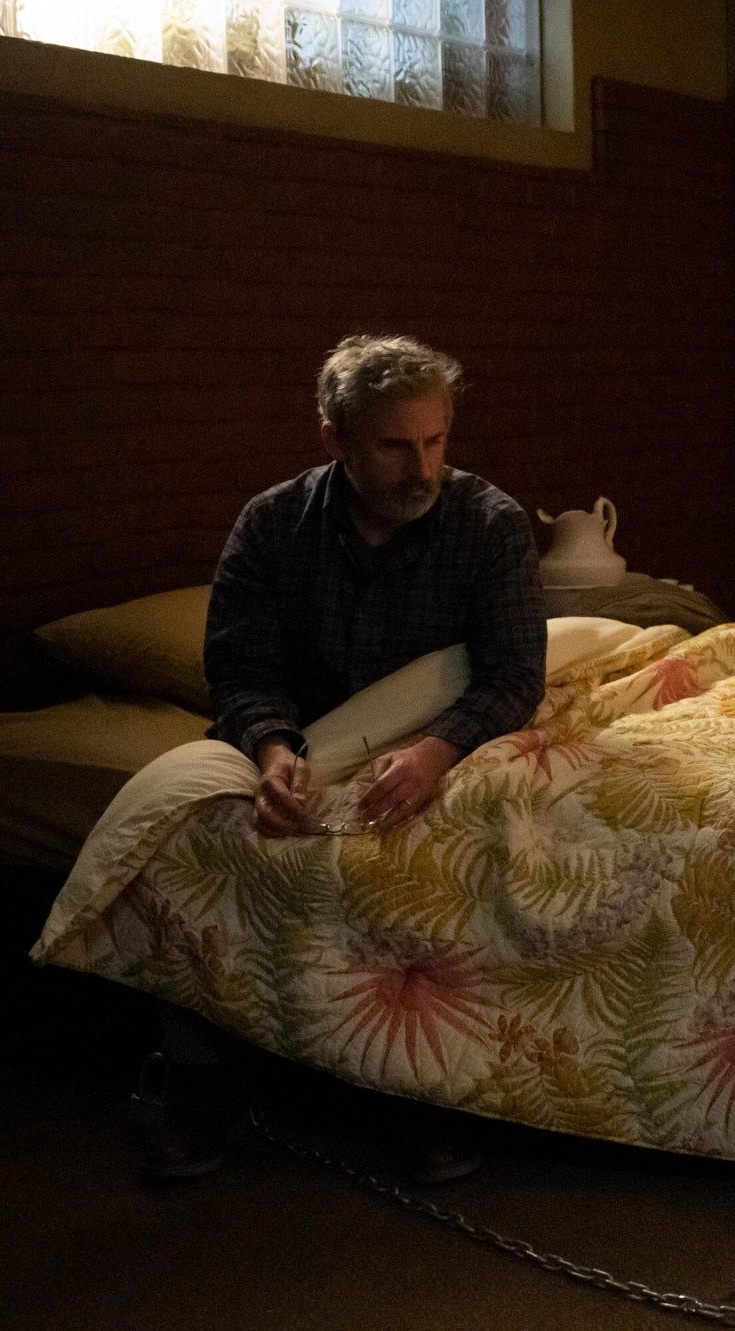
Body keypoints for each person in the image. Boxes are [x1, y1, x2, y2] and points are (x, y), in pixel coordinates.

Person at [141, 334, 547, 1181]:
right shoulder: (271, 525)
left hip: (434, 731)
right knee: (185, 836)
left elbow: (513, 675)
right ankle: (199, 1073)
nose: (423, 467)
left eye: (436, 441)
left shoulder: (489, 523)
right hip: (303, 734)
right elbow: (240, 665)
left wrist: (437, 753)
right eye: (396, 445)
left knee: (431, 849)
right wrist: (271, 747)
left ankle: (406, 1089)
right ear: (335, 439)